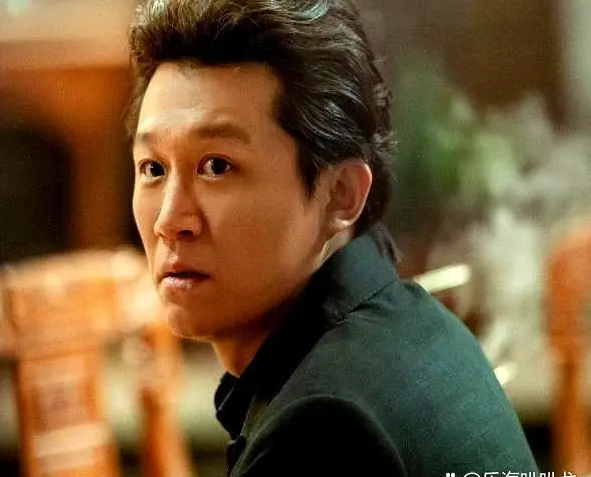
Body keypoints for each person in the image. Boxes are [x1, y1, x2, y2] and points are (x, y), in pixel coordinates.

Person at [126, 0, 540, 475]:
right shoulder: (419, 327)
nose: (170, 220)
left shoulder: (320, 427)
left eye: (217, 166)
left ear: (340, 195)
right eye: (153, 169)